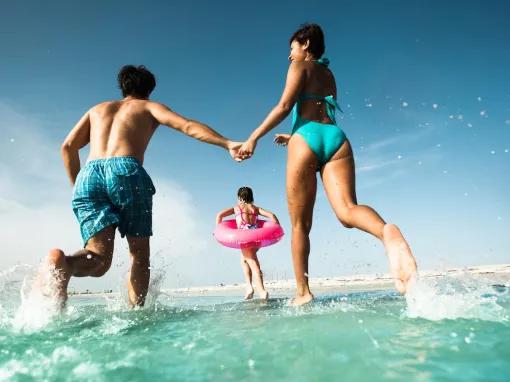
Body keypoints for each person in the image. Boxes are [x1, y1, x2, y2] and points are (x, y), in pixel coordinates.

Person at [237, 24, 418, 305]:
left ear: (306, 44)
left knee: (300, 226)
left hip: (306, 140)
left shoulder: (300, 67)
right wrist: (292, 135)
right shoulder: (328, 73)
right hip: (335, 138)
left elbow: (285, 106)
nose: (290, 56)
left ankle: (303, 293)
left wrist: (253, 138)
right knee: (348, 211)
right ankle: (386, 232)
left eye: (293, 48)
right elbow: (318, 112)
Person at [40, 65, 241, 307]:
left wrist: (78, 187)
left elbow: (68, 147)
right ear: (149, 90)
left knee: (99, 258)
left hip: (89, 175)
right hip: (126, 171)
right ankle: (136, 314)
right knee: (139, 253)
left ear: (122, 86)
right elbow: (187, 126)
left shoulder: (97, 109)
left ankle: (65, 264)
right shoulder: (149, 107)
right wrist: (226, 142)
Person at [216, 187, 279, 300]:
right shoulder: (256, 208)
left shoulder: (237, 208)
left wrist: (218, 230)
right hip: (256, 238)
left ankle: (262, 291)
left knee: (253, 263)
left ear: (240, 197)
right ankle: (249, 287)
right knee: (244, 260)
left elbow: (220, 215)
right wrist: (276, 228)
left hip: (245, 238)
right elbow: (272, 216)